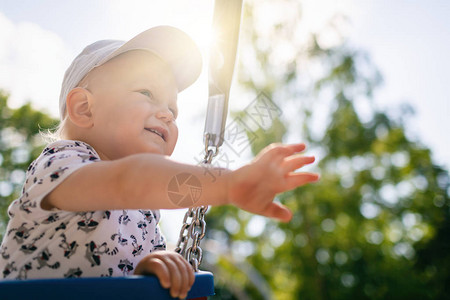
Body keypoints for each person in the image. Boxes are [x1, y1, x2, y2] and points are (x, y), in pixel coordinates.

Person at [0, 26, 319, 299]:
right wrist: (230, 185)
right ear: (84, 108)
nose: (167, 113)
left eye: (174, 109)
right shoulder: (61, 163)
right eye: (146, 92)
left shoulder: (143, 212)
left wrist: (153, 268)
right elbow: (129, 181)